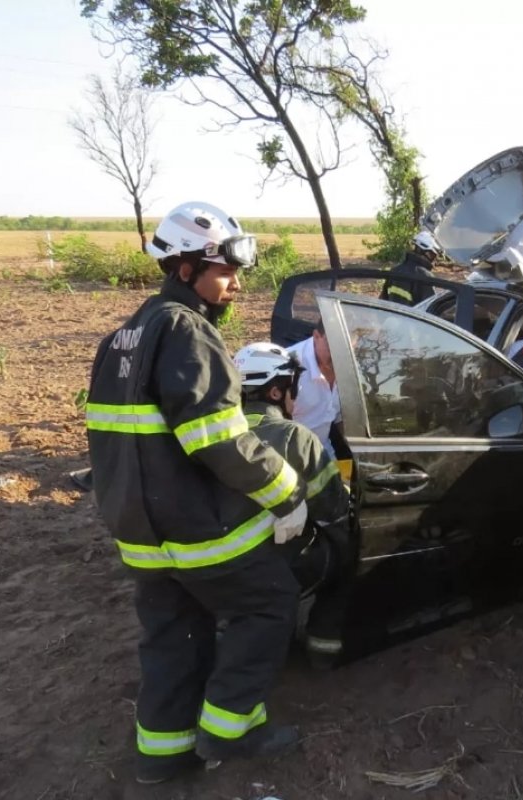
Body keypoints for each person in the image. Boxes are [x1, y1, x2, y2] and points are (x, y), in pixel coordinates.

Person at [85, 201, 309, 785]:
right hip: (194, 530)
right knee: (267, 604)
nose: (235, 284)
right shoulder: (188, 332)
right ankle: (231, 731)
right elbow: (219, 440)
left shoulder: (120, 339)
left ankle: (161, 761)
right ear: (185, 269)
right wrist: (288, 493)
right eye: (225, 271)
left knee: (173, 636)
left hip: (140, 534)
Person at [233, 341, 356, 661]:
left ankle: (274, 638)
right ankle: (322, 649)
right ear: (276, 392)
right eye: (292, 387)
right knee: (348, 551)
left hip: (221, 565)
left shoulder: (211, 434)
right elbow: (332, 509)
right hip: (277, 566)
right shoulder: (295, 437)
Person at [290, 319, 343, 460]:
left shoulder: (352, 364)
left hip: (324, 452)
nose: (339, 352)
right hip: (289, 456)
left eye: (347, 345)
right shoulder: (289, 367)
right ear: (316, 336)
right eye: (332, 343)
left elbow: (339, 417)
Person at [380, 230, 441, 306]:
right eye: (433, 255)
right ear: (427, 253)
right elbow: (432, 307)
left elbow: (382, 301)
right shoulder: (425, 277)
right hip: (410, 318)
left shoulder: (395, 271)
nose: (434, 260)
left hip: (391, 317)